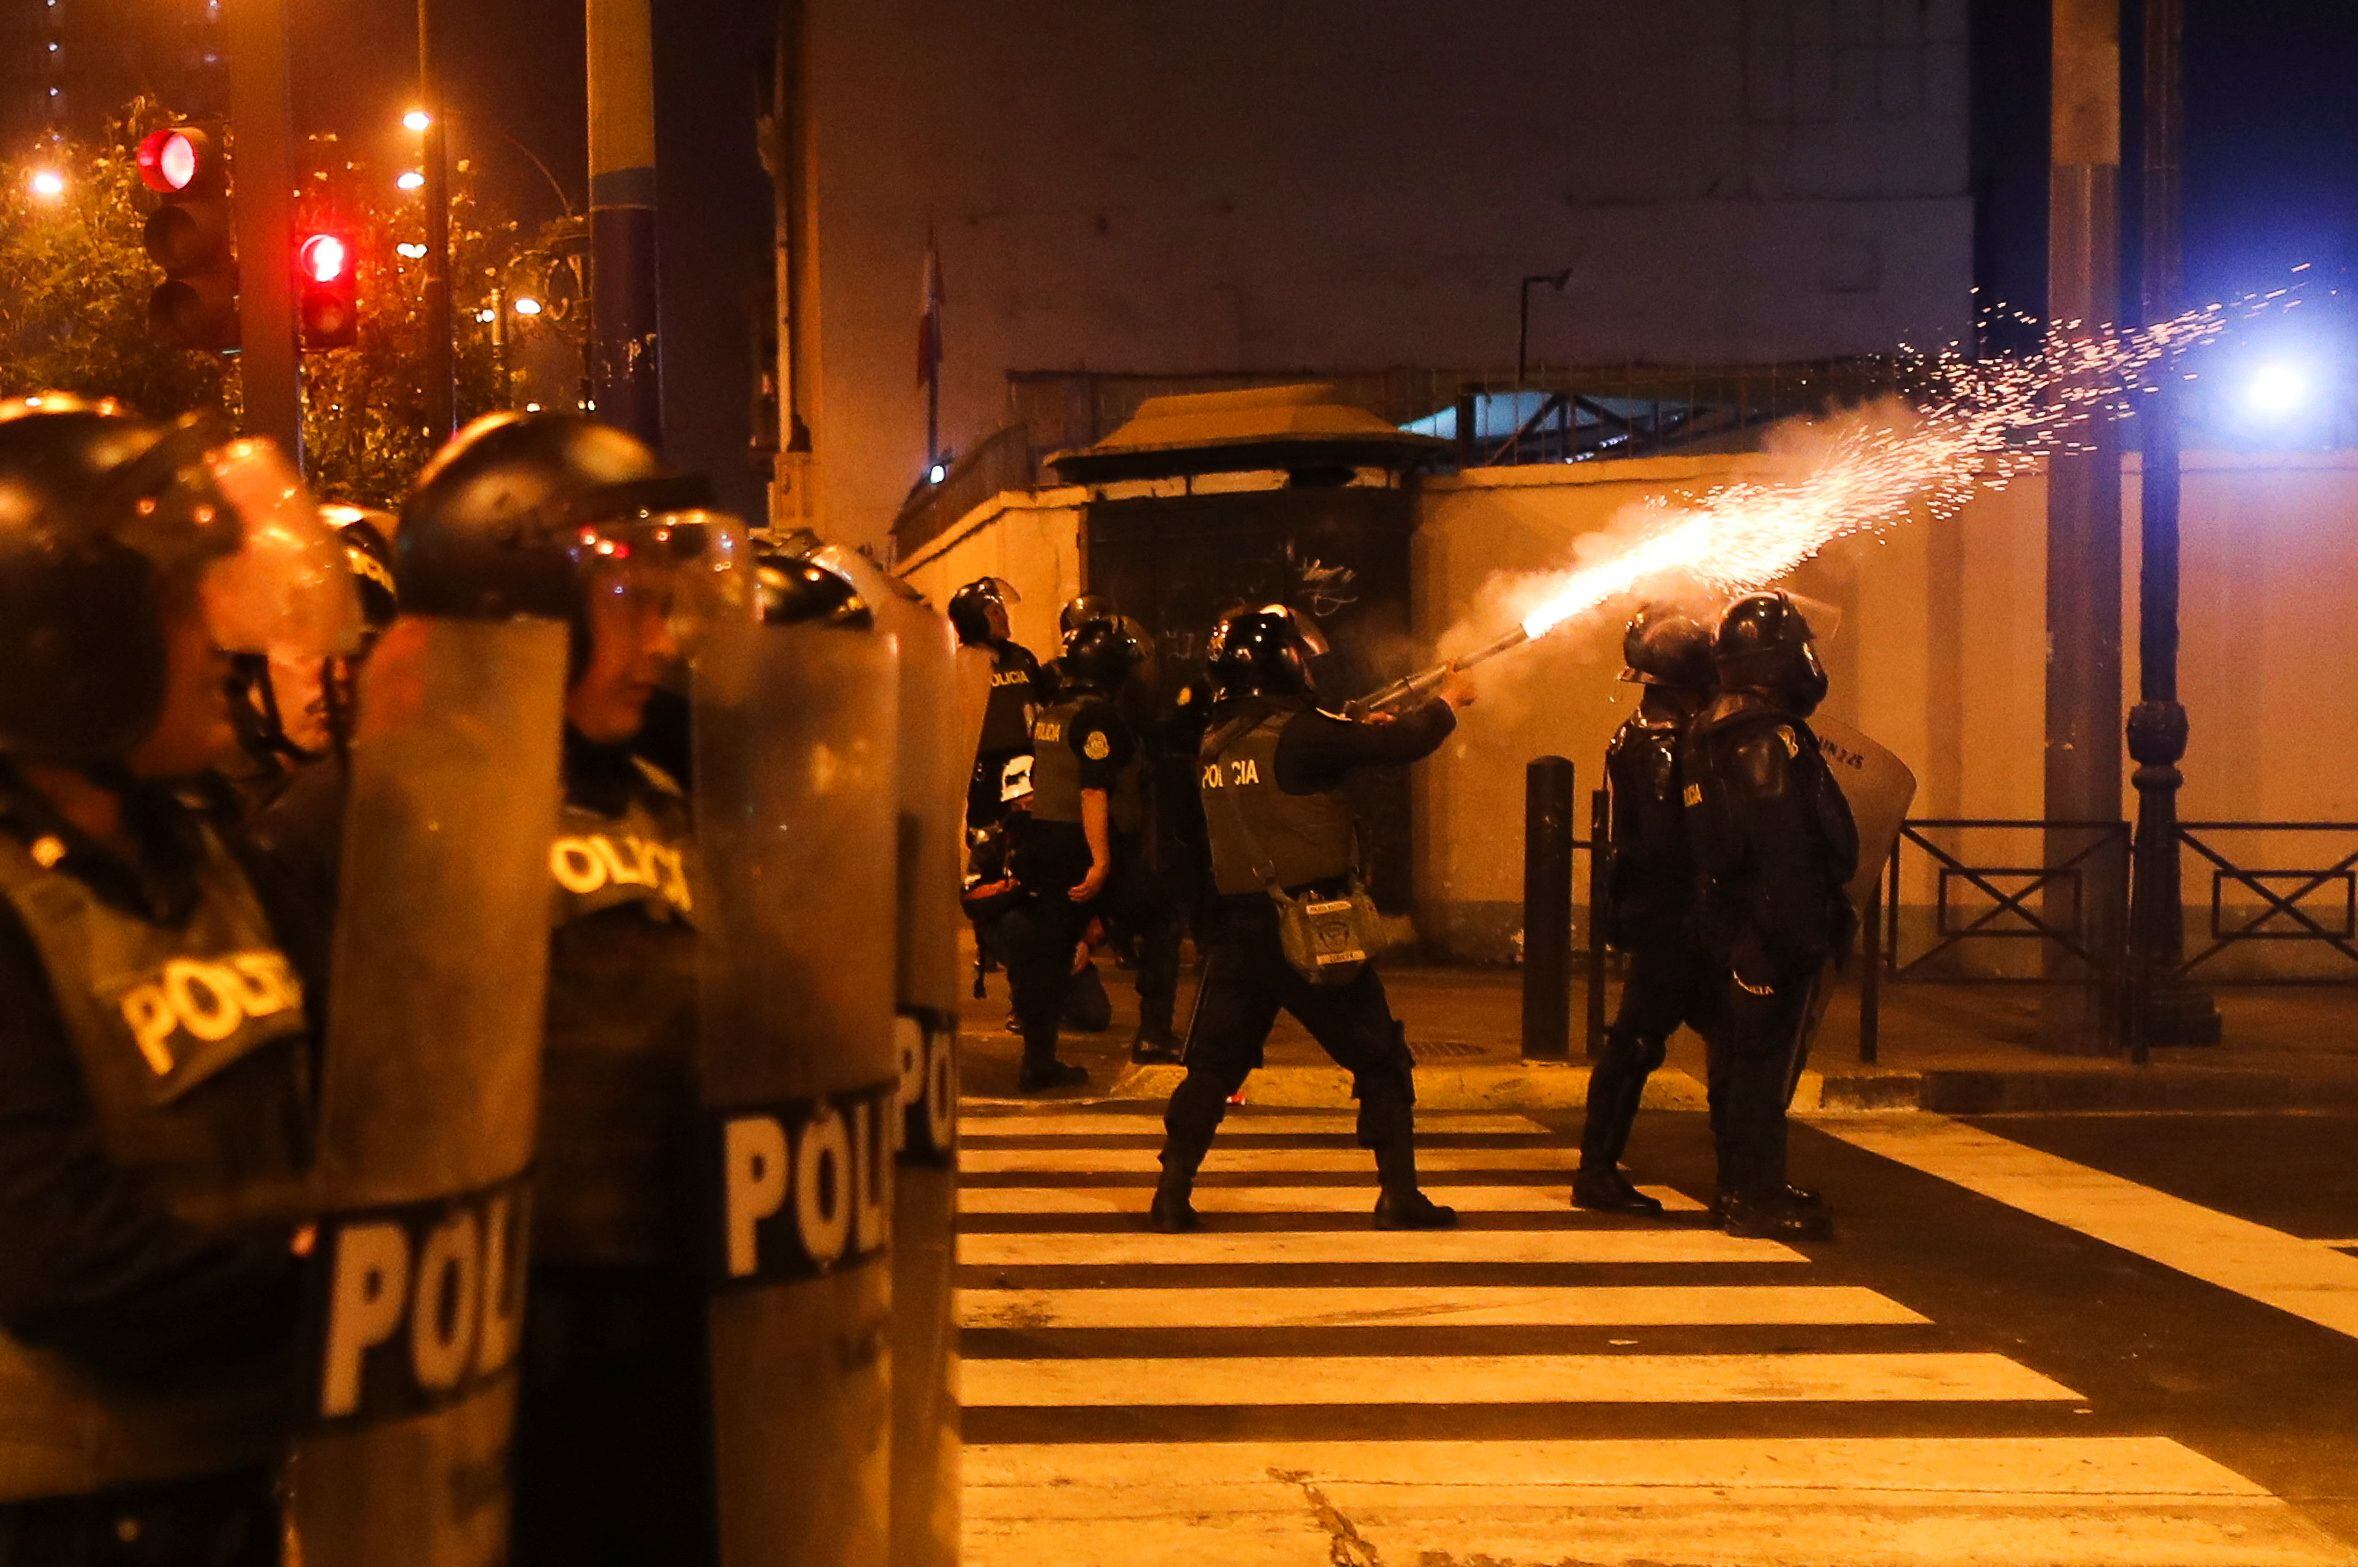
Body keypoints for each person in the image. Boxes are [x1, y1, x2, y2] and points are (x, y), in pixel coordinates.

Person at [266, 410, 750, 1564]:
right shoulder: (361, 823)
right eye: (631, 601)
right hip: (476, 1380)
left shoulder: (667, 798)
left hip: (680, 1369)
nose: (661, 640)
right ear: (525, 602)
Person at [0, 397, 357, 1565]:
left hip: (228, 1490)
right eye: (177, 607)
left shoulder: (212, 858)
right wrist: (326, 1276)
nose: (222, 640)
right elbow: (61, 1249)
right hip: (64, 1519)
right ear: (74, 638)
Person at [1150, 606, 1474, 1233]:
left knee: (1213, 1068)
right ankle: (1399, 1194)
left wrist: (1361, 726)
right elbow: (1399, 745)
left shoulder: (1216, 740)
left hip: (1238, 930)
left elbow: (1327, 748)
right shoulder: (1301, 732)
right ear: (1286, 663)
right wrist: (1449, 702)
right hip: (1312, 925)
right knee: (1380, 1058)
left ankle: (1170, 1193)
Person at [1681, 590, 1857, 1243]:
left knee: (1736, 1062)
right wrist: (1796, 942)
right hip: (1764, 931)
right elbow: (1784, 853)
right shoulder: (1762, 741)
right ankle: (1754, 1196)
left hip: (1730, 924)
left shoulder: (1713, 726)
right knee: (1757, 1069)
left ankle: (1740, 1185)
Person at [1573, 604, 1717, 1216]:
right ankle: (1598, 1172)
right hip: (1673, 917)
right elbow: (1668, 843)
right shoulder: (1662, 743)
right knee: (1636, 1044)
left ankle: (1745, 1172)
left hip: (1662, 913)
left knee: (1653, 1041)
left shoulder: (1645, 730)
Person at [999, 614, 1153, 1091]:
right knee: (1159, 919)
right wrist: (1102, 861)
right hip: (1081, 847)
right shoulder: (1097, 718)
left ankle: (1038, 1060)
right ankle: (1158, 1032)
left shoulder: (1052, 713)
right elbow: (1093, 792)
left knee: (1050, 953)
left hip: (1045, 844)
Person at [221, 503, 400, 807]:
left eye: (359, 649)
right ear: (250, 655)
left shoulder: (383, 797)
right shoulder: (195, 815)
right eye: (314, 646)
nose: (340, 674)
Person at [949, 576, 1044, 834]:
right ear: (975, 620)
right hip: (985, 770)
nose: (1004, 617)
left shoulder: (1021, 657)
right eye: (994, 612)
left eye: (1002, 610)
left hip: (1027, 763)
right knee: (988, 839)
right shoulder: (960, 666)